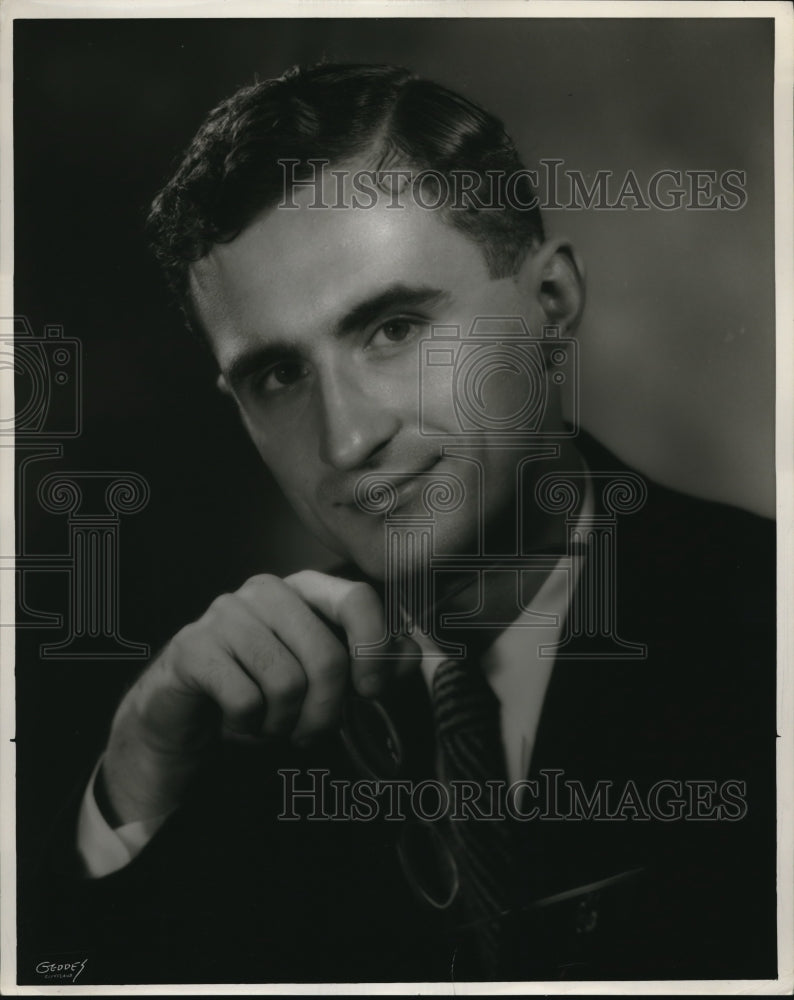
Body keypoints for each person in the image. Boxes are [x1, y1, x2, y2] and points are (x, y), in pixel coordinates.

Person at [26, 63, 776, 985]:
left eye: (392, 329)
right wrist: (136, 779)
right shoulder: (221, 744)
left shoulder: (764, 625)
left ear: (553, 302)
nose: (346, 439)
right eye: (277, 375)